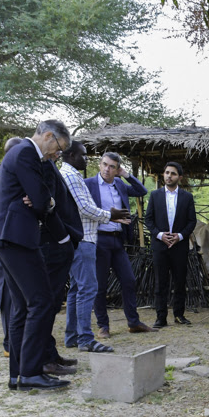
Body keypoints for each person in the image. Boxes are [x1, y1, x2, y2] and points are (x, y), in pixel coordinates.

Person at [0, 120, 72, 391]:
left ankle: (18, 375)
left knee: (22, 306)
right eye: (59, 147)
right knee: (41, 301)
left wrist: (42, 200)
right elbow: (39, 199)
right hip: (17, 238)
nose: (57, 154)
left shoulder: (22, 154)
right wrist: (44, 201)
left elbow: (39, 198)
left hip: (9, 237)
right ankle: (32, 373)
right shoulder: (25, 153)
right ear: (48, 137)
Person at [60, 142, 127, 353]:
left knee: (76, 290)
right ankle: (86, 339)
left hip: (80, 238)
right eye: (83, 155)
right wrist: (111, 215)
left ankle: (72, 336)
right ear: (70, 155)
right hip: (83, 239)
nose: (86, 159)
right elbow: (85, 208)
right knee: (88, 288)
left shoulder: (72, 175)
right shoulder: (70, 176)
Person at [83, 152, 155, 338]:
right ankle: (103, 326)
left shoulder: (120, 184)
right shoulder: (89, 184)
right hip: (99, 238)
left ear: (117, 169)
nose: (107, 169)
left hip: (118, 239)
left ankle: (133, 322)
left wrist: (127, 175)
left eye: (112, 166)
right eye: (105, 164)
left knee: (129, 280)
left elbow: (141, 191)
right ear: (100, 165)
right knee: (100, 284)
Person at [37, 151, 82, 376]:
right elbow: (45, 204)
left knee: (53, 304)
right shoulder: (41, 165)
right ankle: (44, 359)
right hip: (52, 242)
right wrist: (63, 237)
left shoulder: (49, 164)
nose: (59, 151)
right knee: (47, 304)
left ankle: (51, 353)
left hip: (60, 242)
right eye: (58, 145)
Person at [144, 161, 197, 327]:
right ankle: (161, 318)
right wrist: (160, 235)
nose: (169, 176)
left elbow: (191, 221)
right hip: (160, 246)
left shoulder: (187, 197)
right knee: (161, 282)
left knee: (180, 281)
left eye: (173, 173)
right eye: (167, 172)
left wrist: (180, 236)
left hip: (179, 246)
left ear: (179, 177)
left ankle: (179, 315)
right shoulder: (155, 195)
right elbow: (148, 219)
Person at [0, 136, 23, 356]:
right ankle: (10, 345)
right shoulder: (1, 178)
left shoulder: (4, 176)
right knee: (8, 296)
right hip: (3, 244)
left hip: (5, 243)